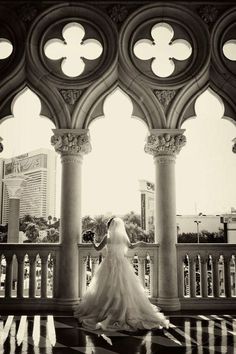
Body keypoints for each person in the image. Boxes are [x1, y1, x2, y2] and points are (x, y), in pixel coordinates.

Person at [75, 217, 169, 331]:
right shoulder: (123, 237)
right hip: (121, 263)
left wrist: (92, 240)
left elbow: (97, 248)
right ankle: (121, 311)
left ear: (110, 226)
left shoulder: (107, 237)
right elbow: (131, 246)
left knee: (106, 288)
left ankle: (109, 311)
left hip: (108, 264)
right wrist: (140, 243)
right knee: (124, 289)